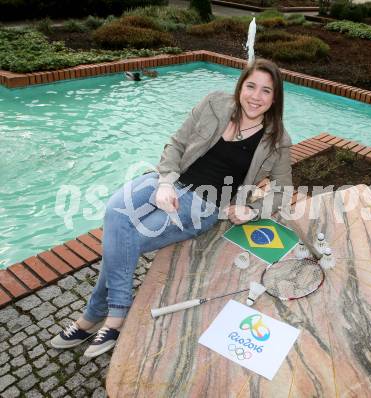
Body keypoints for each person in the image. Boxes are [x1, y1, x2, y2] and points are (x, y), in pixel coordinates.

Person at [50, 58, 293, 358]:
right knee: (115, 211)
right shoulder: (215, 103)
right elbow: (176, 144)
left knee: (128, 238)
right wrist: (165, 182)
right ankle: (109, 316)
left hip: (202, 203)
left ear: (275, 98)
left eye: (266, 91)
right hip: (167, 180)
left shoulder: (278, 140)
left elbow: (283, 191)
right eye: (251, 86)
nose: (256, 96)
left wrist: (251, 211)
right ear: (241, 85)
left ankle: (97, 318)